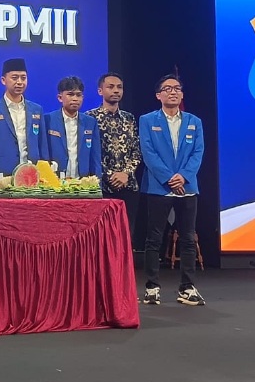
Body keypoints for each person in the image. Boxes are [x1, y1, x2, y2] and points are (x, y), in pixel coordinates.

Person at [138, 74, 205, 307]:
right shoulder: (147, 120)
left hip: (187, 187)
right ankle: (152, 287)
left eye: (177, 88)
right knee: (154, 238)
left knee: (188, 237)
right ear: (158, 95)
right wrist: (169, 178)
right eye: (167, 89)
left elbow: (198, 153)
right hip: (159, 186)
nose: (173, 92)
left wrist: (183, 176)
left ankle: (187, 287)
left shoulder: (195, 121)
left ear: (182, 94)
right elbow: (148, 153)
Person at [86, 73, 142, 250]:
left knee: (126, 236)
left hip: (128, 185)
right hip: (102, 186)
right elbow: (89, 154)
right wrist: (110, 175)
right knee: (102, 238)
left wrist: (125, 173)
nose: (116, 90)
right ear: (100, 91)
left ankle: (123, 268)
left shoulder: (129, 118)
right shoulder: (89, 118)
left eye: (119, 87)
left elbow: (136, 151)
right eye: (111, 87)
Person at [0, 57, 47, 178]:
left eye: (23, 78)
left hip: (32, 174)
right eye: (14, 78)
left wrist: (45, 174)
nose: (19, 82)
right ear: (3, 80)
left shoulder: (37, 109)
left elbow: (43, 146)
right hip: (2, 175)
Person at [44, 76, 101, 179]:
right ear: (60, 97)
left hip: (82, 182)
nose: (75, 99)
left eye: (78, 95)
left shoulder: (90, 122)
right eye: (70, 94)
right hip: (55, 180)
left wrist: (97, 184)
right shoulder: (47, 120)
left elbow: (95, 158)